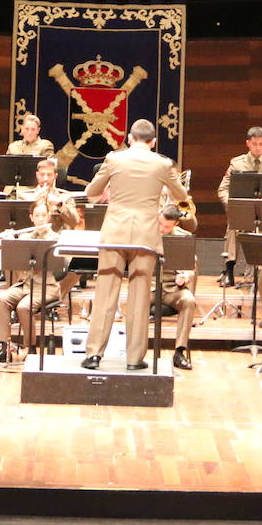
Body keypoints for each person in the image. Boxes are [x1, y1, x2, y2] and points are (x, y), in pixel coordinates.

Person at [81, 119, 188, 370]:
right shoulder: (162, 164)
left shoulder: (113, 159)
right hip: (145, 237)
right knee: (140, 299)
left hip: (114, 233)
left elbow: (91, 191)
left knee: (105, 294)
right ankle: (134, 359)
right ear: (153, 142)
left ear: (129, 138)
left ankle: (94, 354)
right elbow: (181, 195)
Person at [0, 199, 65, 363]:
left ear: (49, 217)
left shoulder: (55, 238)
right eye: (37, 216)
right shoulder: (25, 236)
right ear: (31, 218)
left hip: (46, 287)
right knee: (1, 299)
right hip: (25, 285)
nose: (41, 219)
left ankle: (30, 348)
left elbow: (60, 264)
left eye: (44, 215)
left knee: (24, 307)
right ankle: (4, 347)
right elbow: (11, 262)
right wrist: (8, 242)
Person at [215, 126, 262, 286]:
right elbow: (222, 189)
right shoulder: (236, 164)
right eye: (254, 144)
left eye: (261, 144)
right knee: (233, 226)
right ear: (248, 143)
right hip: (243, 211)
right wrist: (232, 205)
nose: (258, 147)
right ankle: (229, 270)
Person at [157, 204, 198, 369]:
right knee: (134, 298)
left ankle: (179, 351)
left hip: (172, 288)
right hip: (150, 288)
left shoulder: (183, 237)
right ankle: (132, 351)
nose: (162, 229)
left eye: (167, 227)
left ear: (175, 224)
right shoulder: (146, 234)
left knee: (188, 300)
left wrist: (185, 277)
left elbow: (192, 266)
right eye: (160, 224)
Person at [14, 157, 80, 229]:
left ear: (55, 176)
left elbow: (74, 222)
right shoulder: (24, 196)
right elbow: (19, 223)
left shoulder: (65, 196)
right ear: (37, 175)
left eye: (49, 175)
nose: (45, 179)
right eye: (42, 175)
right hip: (32, 237)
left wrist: (60, 204)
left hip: (57, 237)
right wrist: (35, 201)